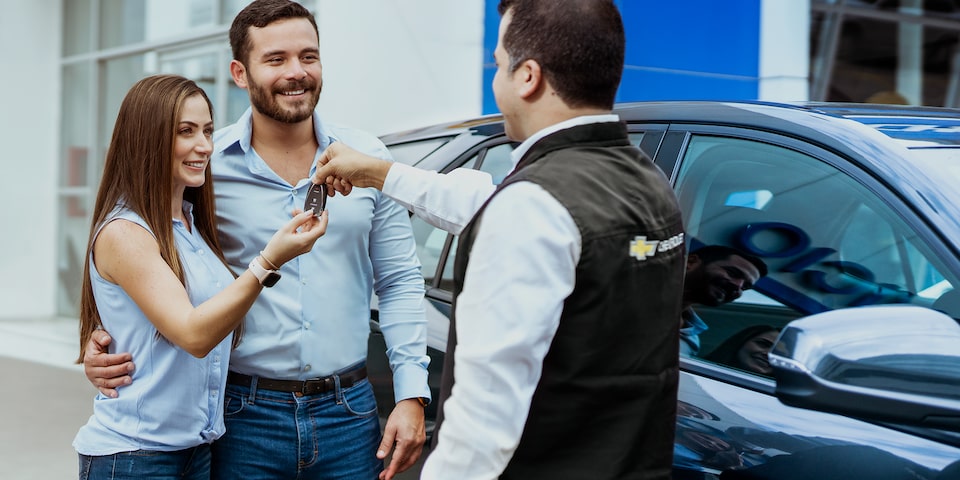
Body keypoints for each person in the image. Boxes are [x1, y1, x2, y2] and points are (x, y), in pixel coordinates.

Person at [316, 1, 686, 478]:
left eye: (497, 65)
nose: (496, 81)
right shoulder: (650, 185)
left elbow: (481, 422)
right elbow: (494, 203)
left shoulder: (534, 205)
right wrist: (380, 172)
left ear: (527, 76)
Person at [81, 2, 431, 479]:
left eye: (309, 56)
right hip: (241, 416)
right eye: (276, 59)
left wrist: (411, 392)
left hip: (349, 413)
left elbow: (400, 282)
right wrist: (101, 336)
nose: (296, 72)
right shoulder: (204, 168)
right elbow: (144, 260)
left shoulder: (366, 159)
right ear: (240, 73)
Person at [73, 74, 327, 479]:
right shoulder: (125, 232)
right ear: (147, 139)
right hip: (136, 457)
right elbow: (193, 334)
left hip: (196, 452)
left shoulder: (191, 228)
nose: (205, 145)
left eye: (208, 130)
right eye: (185, 131)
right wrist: (268, 262)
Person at [680, 245, 767, 356]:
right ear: (691, 262)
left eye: (745, 287)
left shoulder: (691, 341)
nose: (738, 286)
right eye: (733, 273)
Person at [704, 325, 781, 375]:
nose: (768, 354)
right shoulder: (699, 368)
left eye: (779, 353)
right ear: (742, 342)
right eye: (763, 344)